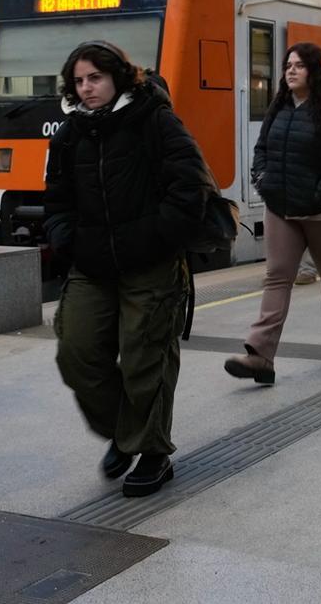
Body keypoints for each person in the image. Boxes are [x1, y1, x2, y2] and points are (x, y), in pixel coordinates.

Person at [44, 41, 212, 498]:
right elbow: (56, 199)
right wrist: (68, 239)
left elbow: (190, 186)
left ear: (118, 76)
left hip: (151, 262)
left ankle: (153, 452)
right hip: (92, 263)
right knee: (76, 353)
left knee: (145, 356)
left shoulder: (154, 120)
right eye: (78, 81)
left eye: (94, 78)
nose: (86, 88)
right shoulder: (70, 132)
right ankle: (125, 431)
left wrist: (155, 236)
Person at [224, 42, 321, 384]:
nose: (290, 70)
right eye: (288, 65)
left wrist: (317, 194)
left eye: (299, 65)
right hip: (282, 208)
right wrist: (263, 180)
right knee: (278, 276)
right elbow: (262, 149)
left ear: (315, 71)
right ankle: (260, 356)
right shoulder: (280, 107)